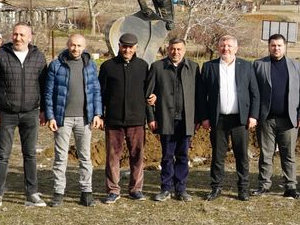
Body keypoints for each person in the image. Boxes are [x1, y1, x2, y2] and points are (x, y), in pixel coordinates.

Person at [0, 23, 47, 209]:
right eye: (15, 34)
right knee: (2, 155)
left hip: (31, 113)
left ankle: (32, 194)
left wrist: (44, 110)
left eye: (22, 35)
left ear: (30, 37)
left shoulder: (38, 57)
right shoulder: (0, 55)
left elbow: (45, 86)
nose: (18, 38)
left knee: (30, 154)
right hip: (5, 114)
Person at [42, 33, 103, 207]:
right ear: (68, 45)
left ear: (84, 47)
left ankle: (86, 192)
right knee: (61, 157)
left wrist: (97, 114)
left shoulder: (90, 66)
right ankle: (58, 193)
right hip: (62, 119)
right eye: (73, 45)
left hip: (85, 119)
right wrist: (50, 116)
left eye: (79, 46)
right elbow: (48, 93)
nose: (75, 49)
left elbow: (96, 91)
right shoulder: (56, 65)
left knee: (85, 157)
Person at [199, 35, 260, 201]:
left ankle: (243, 189)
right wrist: (204, 117)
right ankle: (216, 188)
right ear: (218, 47)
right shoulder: (209, 67)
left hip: (240, 119)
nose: (226, 48)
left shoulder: (246, 66)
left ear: (236, 48)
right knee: (218, 156)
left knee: (242, 156)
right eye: (222, 45)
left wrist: (253, 115)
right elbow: (201, 95)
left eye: (229, 46)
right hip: (218, 119)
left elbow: (255, 93)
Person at [252, 34, 300, 198]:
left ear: (285, 47)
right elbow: (253, 92)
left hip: (289, 119)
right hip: (266, 119)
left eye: (279, 45)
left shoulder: (296, 66)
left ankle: (290, 186)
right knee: (265, 154)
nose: (276, 48)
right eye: (273, 45)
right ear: (269, 47)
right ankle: (264, 185)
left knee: (288, 155)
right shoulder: (259, 65)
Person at [98, 32, 151, 204]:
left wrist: (150, 115)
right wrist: (100, 114)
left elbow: (148, 94)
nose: (127, 49)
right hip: (114, 120)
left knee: (137, 155)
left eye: (130, 47)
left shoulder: (143, 66)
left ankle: (136, 189)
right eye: (124, 46)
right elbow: (101, 93)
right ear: (119, 46)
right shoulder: (107, 66)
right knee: (113, 156)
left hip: (136, 120)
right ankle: (113, 190)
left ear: (136, 48)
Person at [146, 38, 200, 202]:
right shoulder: (157, 67)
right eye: (172, 49)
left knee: (183, 156)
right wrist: (151, 118)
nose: (175, 52)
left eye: (179, 49)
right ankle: (166, 189)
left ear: (184, 50)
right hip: (166, 119)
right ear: (167, 49)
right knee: (167, 156)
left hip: (186, 120)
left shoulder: (194, 68)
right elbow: (148, 95)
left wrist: (197, 118)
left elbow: (199, 96)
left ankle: (181, 189)